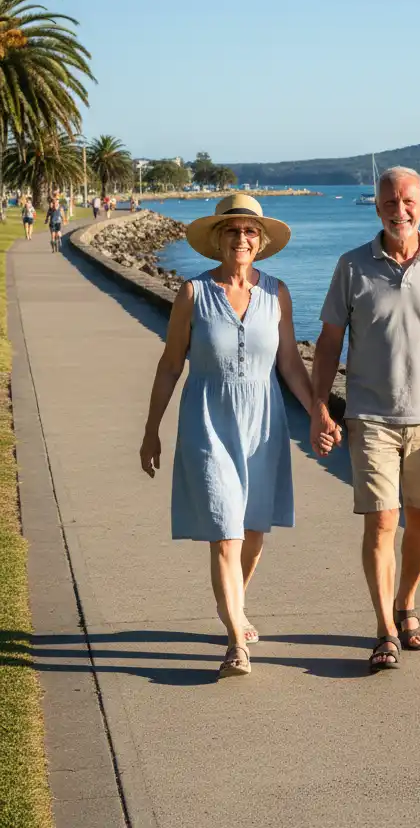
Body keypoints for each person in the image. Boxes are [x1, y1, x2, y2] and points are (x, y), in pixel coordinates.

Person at [140, 194, 335, 679]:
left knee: (251, 531)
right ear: (217, 240)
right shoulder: (192, 294)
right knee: (225, 532)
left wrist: (318, 412)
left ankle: (235, 607)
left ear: (261, 241)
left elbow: (289, 362)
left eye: (250, 231)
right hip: (208, 420)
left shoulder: (277, 293)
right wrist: (150, 432)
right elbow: (170, 365)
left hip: (264, 424)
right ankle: (235, 643)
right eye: (233, 231)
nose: (242, 239)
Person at [310, 166, 420, 672]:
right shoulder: (351, 266)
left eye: (408, 201)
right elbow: (328, 342)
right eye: (389, 201)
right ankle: (385, 628)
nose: (399, 209)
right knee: (383, 521)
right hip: (371, 419)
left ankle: (406, 603)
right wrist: (321, 405)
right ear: (377, 206)